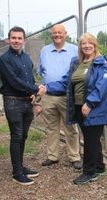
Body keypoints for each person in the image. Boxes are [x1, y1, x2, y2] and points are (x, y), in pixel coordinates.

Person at [44, 33, 107, 185]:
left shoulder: (101, 63)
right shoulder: (76, 63)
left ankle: (89, 172)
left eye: (90, 43)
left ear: (95, 45)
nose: (87, 46)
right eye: (83, 43)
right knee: (92, 138)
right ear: (80, 47)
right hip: (79, 107)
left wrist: (90, 103)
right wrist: (47, 87)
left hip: (94, 107)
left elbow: (102, 85)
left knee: (90, 140)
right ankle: (100, 166)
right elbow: (65, 83)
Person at [0, 26, 45, 186]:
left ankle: (20, 166)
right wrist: (36, 89)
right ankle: (17, 173)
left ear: (24, 40)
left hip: (27, 102)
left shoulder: (26, 58)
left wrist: (34, 94)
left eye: (19, 38)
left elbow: (29, 79)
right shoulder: (4, 60)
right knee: (16, 136)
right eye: (13, 38)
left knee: (23, 136)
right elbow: (14, 81)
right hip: (13, 102)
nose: (16, 41)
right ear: (8, 39)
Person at [38, 24, 82, 169]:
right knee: (51, 128)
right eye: (54, 33)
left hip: (66, 96)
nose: (57, 35)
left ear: (65, 34)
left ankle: (74, 156)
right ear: (52, 35)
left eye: (60, 33)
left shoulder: (74, 50)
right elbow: (41, 71)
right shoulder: (44, 51)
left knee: (71, 127)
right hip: (48, 96)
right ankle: (52, 156)